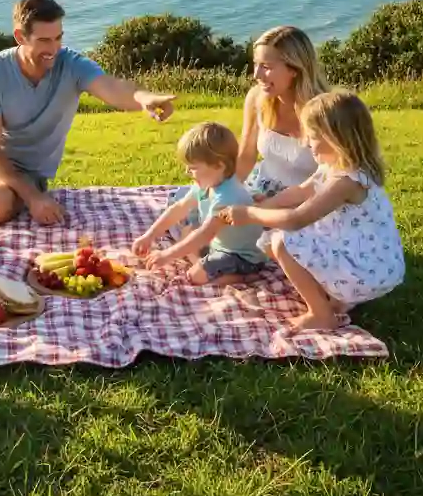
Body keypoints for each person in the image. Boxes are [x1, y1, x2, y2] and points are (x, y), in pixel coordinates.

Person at [0, 0, 177, 225]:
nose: (54, 48)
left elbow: (112, 87)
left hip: (25, 171)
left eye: (58, 38)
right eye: (44, 40)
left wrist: (143, 97)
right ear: (20, 36)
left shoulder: (72, 65)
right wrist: (33, 201)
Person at [218, 89, 405, 332]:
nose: (306, 142)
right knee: (272, 239)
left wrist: (250, 215)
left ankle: (321, 314)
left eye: (313, 135)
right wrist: (258, 207)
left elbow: (296, 219)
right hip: (361, 257)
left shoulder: (347, 181)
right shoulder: (333, 165)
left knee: (283, 241)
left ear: (337, 138)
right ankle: (333, 298)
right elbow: (299, 192)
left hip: (367, 271)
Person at [131, 122, 267, 286]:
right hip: (218, 244)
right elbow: (179, 208)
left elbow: (205, 234)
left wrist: (167, 255)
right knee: (187, 233)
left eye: (193, 167)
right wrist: (149, 236)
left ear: (219, 165)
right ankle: (207, 264)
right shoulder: (207, 184)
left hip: (242, 256)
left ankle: (245, 277)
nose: (187, 172)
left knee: (196, 276)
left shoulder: (228, 197)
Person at [237, 25, 329, 199]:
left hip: (312, 203)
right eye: (256, 64)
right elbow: (246, 156)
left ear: (294, 69)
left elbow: (337, 177)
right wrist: (227, 195)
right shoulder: (256, 98)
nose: (256, 74)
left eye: (266, 66)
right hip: (261, 191)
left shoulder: (326, 111)